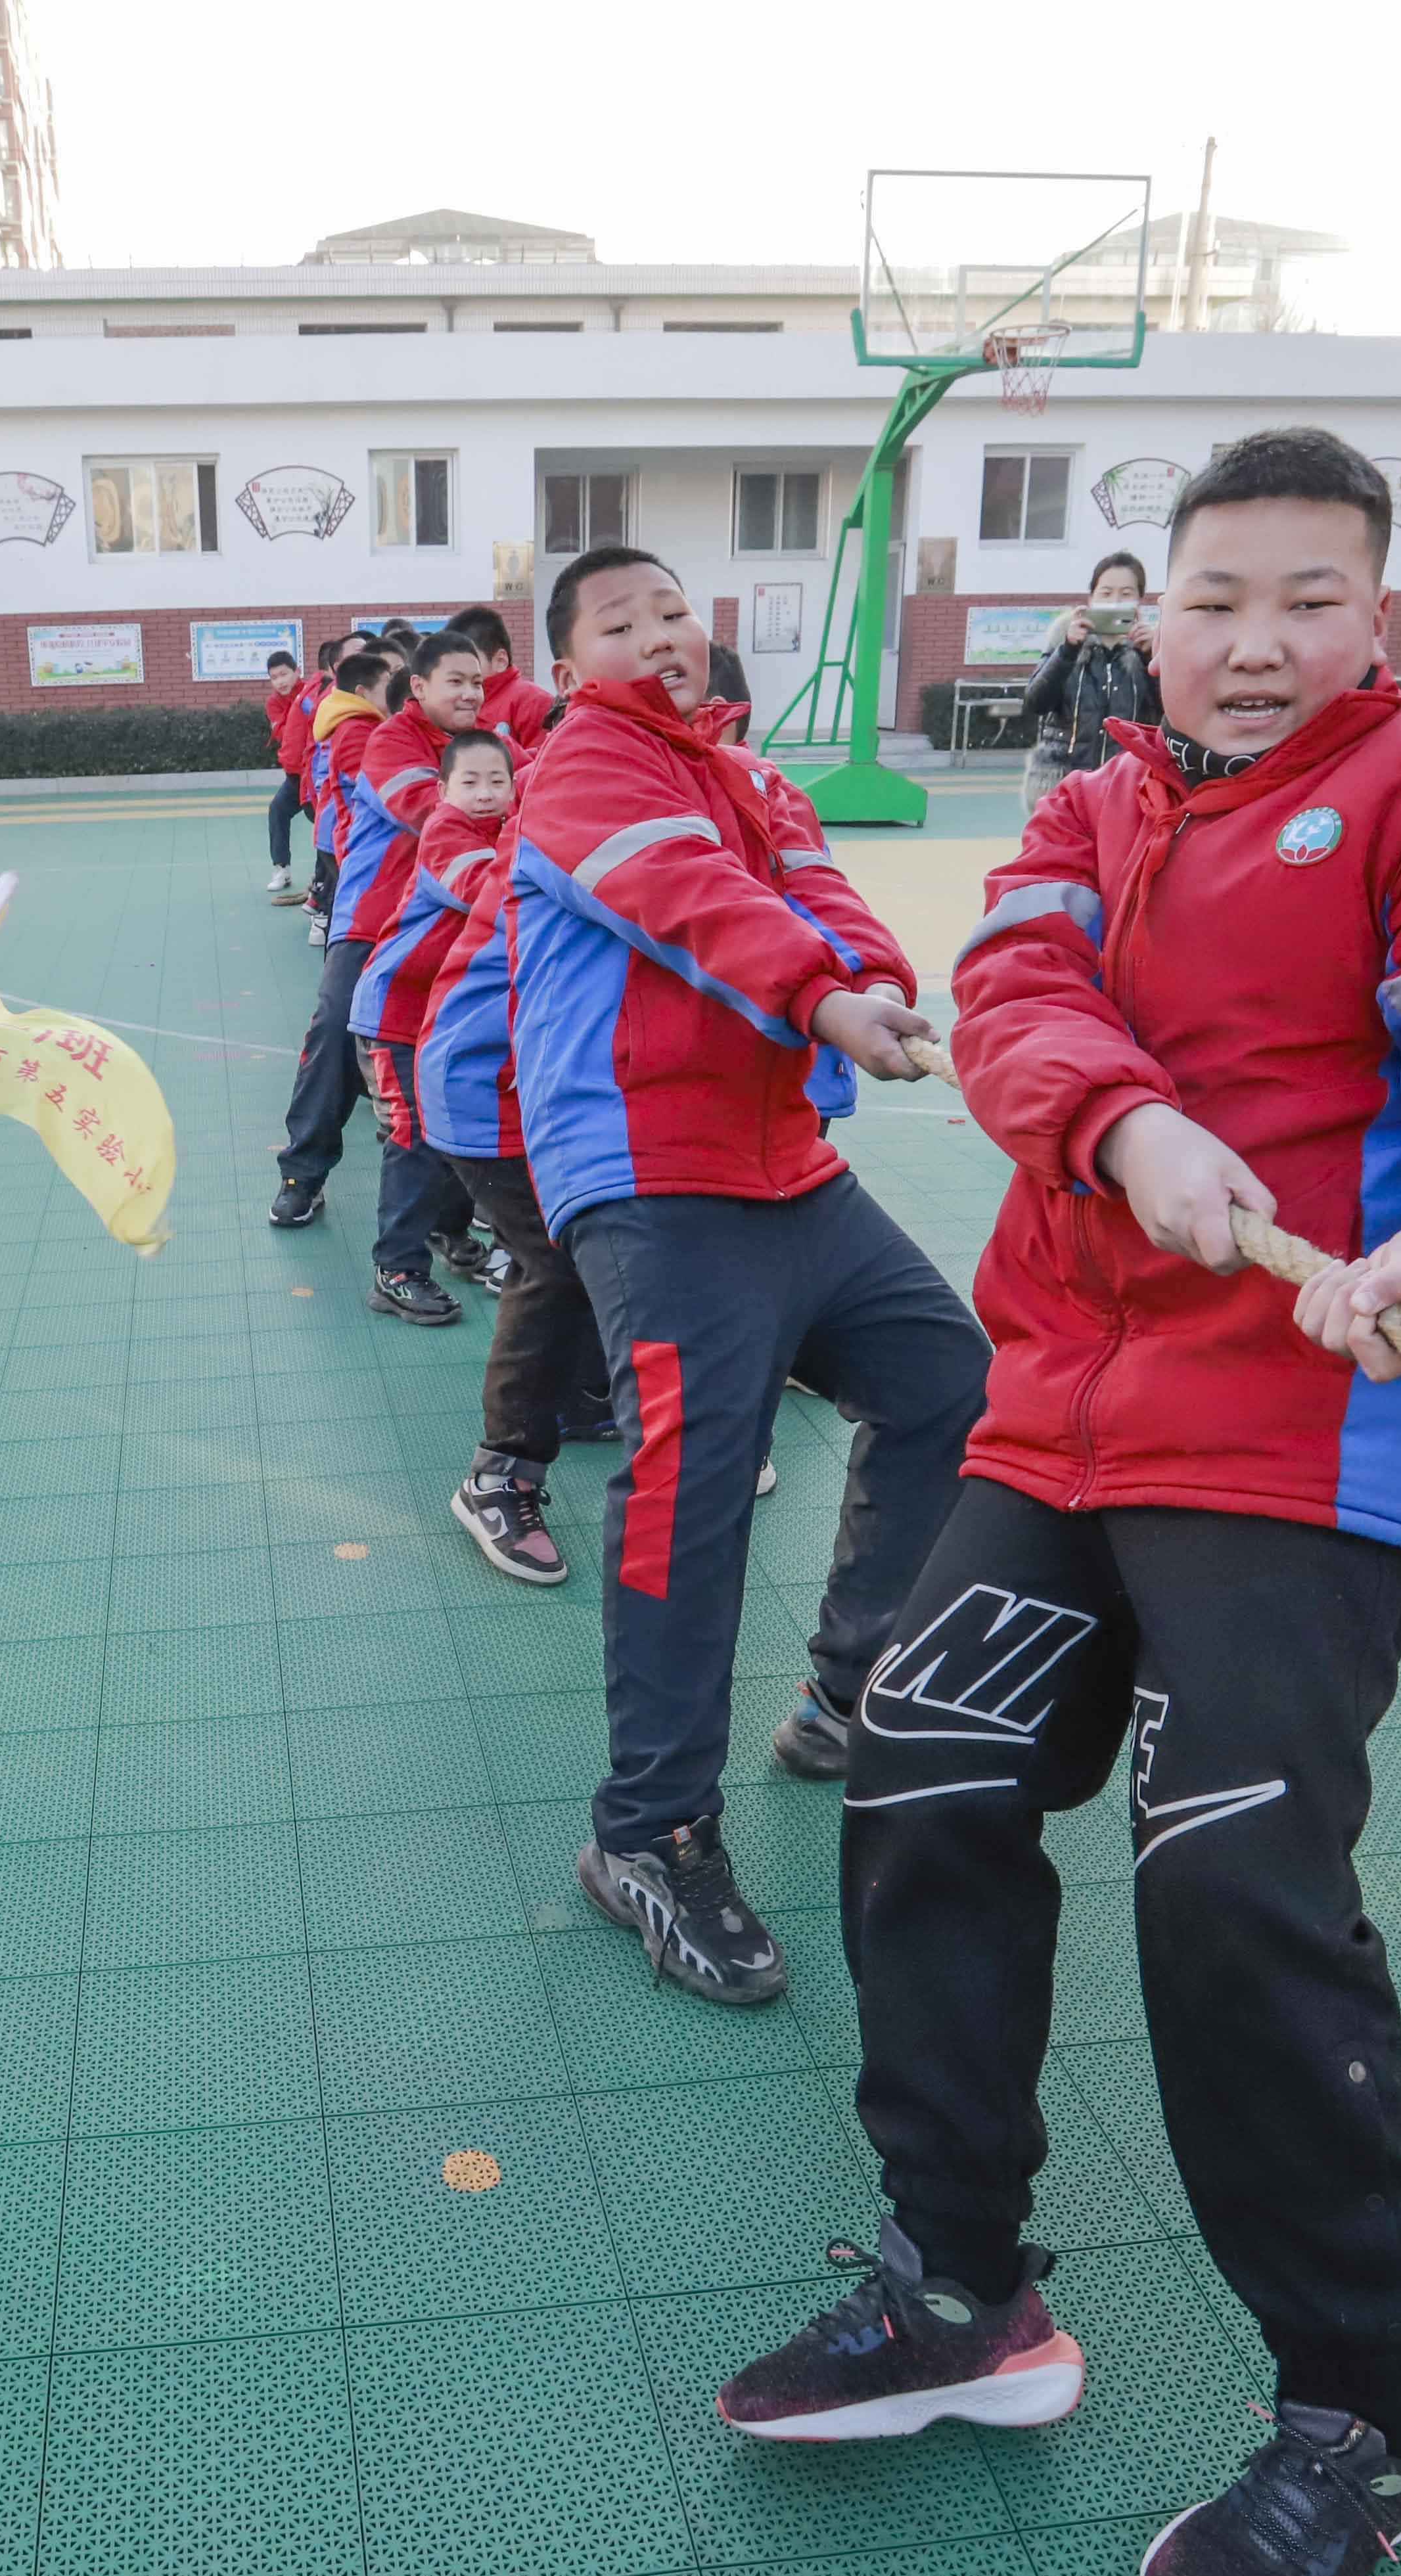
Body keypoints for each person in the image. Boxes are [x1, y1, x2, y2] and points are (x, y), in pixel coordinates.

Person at [716, 430, 1401, 2576]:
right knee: (924, 1777)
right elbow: (1023, 1008)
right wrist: (1127, 1128)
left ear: (1378, 611)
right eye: (1217, 597)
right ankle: (962, 2286)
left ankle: (1357, 2413)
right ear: (1159, 608)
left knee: (1232, 1875)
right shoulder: (1093, 804)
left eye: (1308, 599)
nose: (1255, 643)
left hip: (1319, 1416)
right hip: (1075, 1402)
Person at [513, 543, 990, 2005]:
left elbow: (816, 890)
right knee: (696, 1476)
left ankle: (849, 1691)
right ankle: (646, 1834)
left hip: (790, 1169)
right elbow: (690, 906)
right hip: (653, 1181)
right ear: (568, 662)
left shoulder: (755, 777)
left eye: (675, 613)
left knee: (950, 1386)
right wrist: (822, 996)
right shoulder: (582, 771)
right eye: (620, 621)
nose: (661, 635)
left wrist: (875, 982)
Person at [402, 731, 606, 1583]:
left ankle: (587, 1399)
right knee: (552, 1261)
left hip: (544, 1082)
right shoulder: (529, 842)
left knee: (592, 1244)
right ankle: (500, 1473)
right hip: (482, 1083)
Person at [327, 630, 499, 1322]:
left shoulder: (499, 824)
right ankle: (395, 1269)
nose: (484, 793)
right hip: (400, 1010)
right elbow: (480, 884)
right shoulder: (447, 832)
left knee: (465, 1126)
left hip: (453, 1015)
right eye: (470, 782)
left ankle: (450, 1232)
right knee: (416, 1134)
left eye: (499, 781)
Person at [271, 647, 399, 1222]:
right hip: (370, 912)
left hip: (450, 919)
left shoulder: (460, 743)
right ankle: (303, 1171)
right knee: (337, 1032)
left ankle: (462, 1211)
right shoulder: (359, 735)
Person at [1018, 551, 1160, 815]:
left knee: (1119, 856)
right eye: (1106, 593)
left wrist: (1151, 658)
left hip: (1128, 785)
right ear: (1091, 598)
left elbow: (1168, 715)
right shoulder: (1066, 640)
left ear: (1140, 601)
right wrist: (1068, 651)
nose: (1115, 602)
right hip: (1064, 784)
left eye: (1126, 594)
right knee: (1060, 856)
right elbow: (1035, 702)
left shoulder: (1152, 649)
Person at [302, 637, 384, 942]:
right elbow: (325, 771)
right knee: (349, 913)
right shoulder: (349, 724)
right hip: (340, 831)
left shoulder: (347, 714)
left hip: (339, 831)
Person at [444, 604, 553, 751]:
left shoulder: (532, 701)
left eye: (470, 661)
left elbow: (543, 763)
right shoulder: (453, 703)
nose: (460, 670)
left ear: (500, 661)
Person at [262, 645, 311, 901]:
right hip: (295, 777)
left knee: (324, 823)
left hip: (316, 774)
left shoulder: (312, 692)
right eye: (274, 677)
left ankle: (331, 871)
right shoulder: (273, 703)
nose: (279, 682)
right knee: (278, 810)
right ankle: (282, 869)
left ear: (297, 672)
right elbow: (284, 734)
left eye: (284, 674)